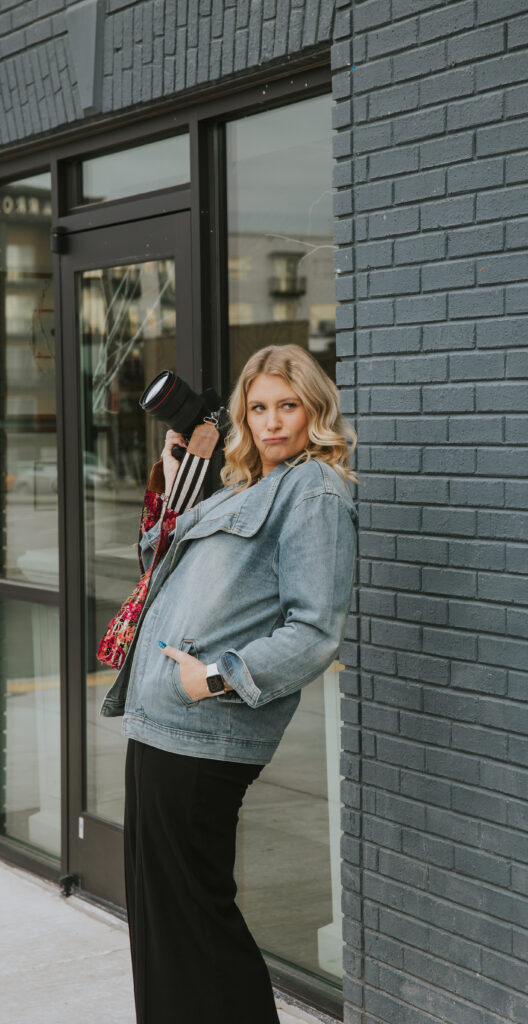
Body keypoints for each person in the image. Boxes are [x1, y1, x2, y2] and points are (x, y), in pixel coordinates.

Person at [100, 344, 358, 1024]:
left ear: (314, 410)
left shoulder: (314, 491)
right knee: (161, 918)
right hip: (158, 721)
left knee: (195, 917)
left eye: (288, 406)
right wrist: (175, 480)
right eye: (258, 407)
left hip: (204, 730)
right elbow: (158, 567)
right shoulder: (242, 487)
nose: (272, 422)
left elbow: (315, 631)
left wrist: (215, 677)